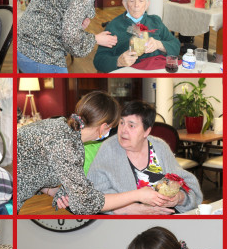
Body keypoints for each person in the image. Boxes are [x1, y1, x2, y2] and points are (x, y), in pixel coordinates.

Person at [17, 91, 173, 214]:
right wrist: (138, 195)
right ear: (104, 127)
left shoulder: (62, 127)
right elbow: (86, 203)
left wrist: (55, 191)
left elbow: (35, 167)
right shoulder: (66, 145)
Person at [88, 101, 202, 214]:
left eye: (131, 125)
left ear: (146, 131)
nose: (123, 130)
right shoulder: (108, 149)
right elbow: (92, 195)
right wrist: (126, 209)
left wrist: (179, 198)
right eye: (121, 123)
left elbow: (184, 182)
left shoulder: (159, 146)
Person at [93, 0, 180, 72]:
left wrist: (159, 44)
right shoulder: (114, 26)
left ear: (147, 4)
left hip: (160, 69)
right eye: (132, 1)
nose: (136, 5)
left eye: (141, 0)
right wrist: (118, 61)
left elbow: (175, 45)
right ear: (125, 3)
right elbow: (99, 61)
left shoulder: (155, 21)